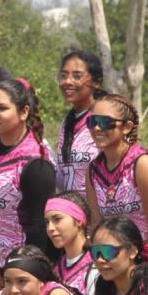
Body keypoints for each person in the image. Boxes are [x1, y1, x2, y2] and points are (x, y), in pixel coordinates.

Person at [0, 77, 56, 262]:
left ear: (24, 112)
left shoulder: (36, 164)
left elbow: (38, 228)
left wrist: (19, 270)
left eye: (2, 108)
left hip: (18, 262)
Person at [85, 95, 148, 249]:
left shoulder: (143, 164)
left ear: (127, 127)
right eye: (92, 122)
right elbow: (97, 224)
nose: (96, 128)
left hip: (143, 257)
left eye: (105, 122)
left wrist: (147, 266)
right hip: (110, 259)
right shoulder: (93, 170)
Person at [54, 49, 104, 192]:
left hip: (102, 212)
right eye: (63, 75)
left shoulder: (106, 120)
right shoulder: (67, 123)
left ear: (96, 82)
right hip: (72, 211)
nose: (68, 81)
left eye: (77, 76)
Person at [44, 192, 97, 295]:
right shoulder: (55, 269)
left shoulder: (99, 262)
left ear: (79, 221)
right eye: (47, 222)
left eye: (57, 219)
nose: (50, 228)